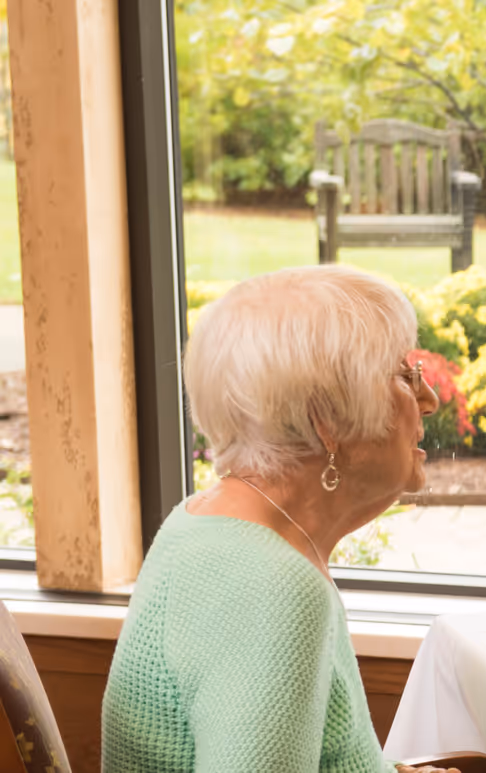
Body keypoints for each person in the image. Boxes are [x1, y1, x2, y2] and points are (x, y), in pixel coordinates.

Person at [101, 267, 456, 772]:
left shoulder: (201, 522)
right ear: (328, 421)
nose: (429, 399)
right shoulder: (274, 589)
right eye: (404, 376)